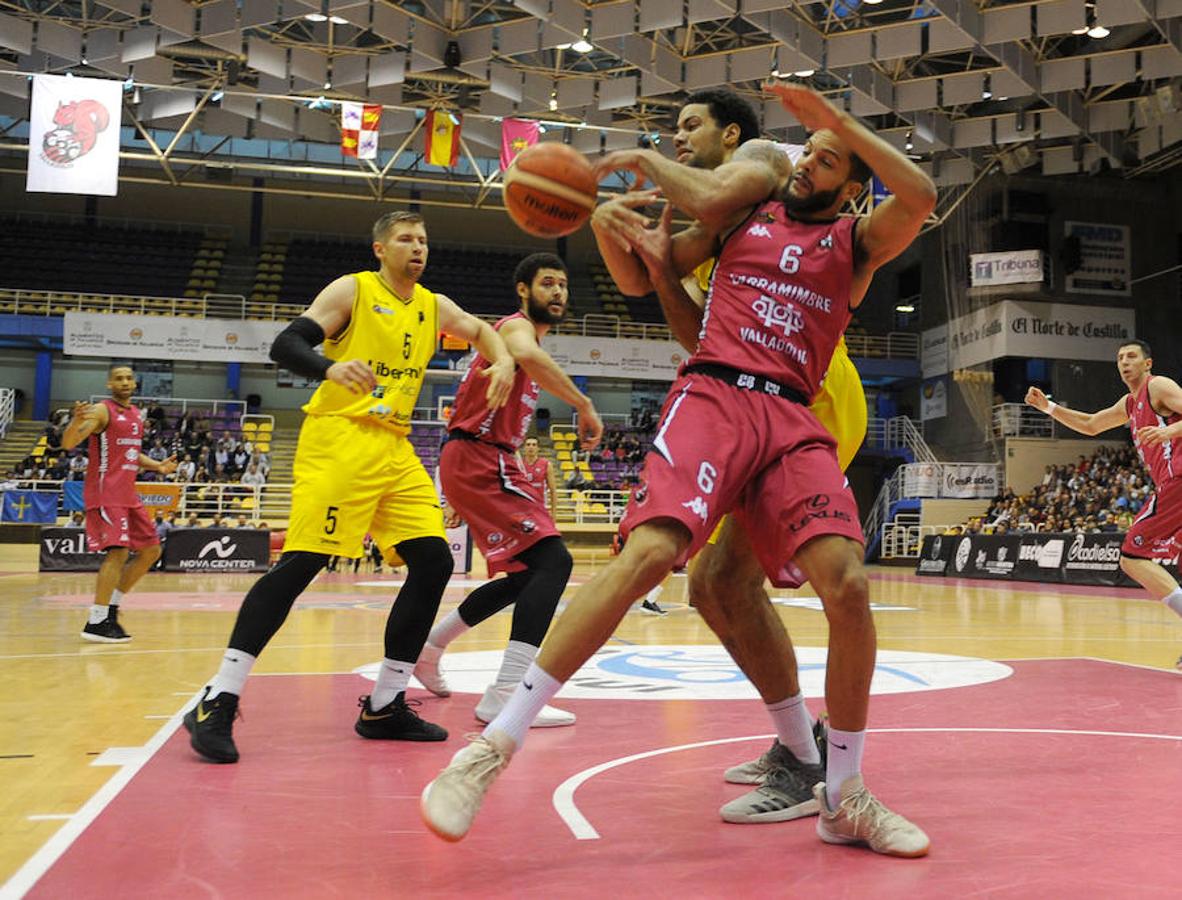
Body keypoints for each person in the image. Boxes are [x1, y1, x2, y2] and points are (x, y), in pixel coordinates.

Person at [422, 81, 937, 857]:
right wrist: (636, 246)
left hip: (801, 410)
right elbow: (657, 293)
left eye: (827, 161)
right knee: (658, 557)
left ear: (853, 182)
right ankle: (488, 750)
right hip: (718, 393)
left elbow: (922, 191)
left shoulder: (849, 237)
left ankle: (845, 794)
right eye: (809, 153)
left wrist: (837, 124)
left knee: (850, 584)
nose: (806, 165)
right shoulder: (743, 215)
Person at [590, 88, 870, 824]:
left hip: (802, 397)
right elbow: (648, 290)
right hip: (749, 388)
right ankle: (798, 744)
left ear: (732, 132)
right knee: (710, 587)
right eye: (670, 128)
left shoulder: (761, 164)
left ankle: (818, 765)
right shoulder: (716, 217)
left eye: (690, 126)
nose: (678, 138)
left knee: (733, 583)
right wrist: (599, 222)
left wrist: (634, 167)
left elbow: (715, 186)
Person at [184, 210, 515, 764]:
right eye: (406, 239)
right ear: (380, 249)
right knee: (303, 563)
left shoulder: (432, 305)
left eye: (424, 241)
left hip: (394, 446)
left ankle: (385, 703)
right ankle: (218, 697)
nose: (418, 248)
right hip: (339, 439)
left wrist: (502, 359)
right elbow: (287, 343)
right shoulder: (354, 291)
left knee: (434, 562)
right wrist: (328, 368)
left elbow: (482, 329)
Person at [414, 253, 603, 728]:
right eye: (547, 284)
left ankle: (430, 647)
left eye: (563, 284)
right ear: (524, 290)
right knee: (555, 561)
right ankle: (505, 693)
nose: (558, 292)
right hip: (480, 455)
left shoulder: (524, 334)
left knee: (525, 577)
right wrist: (582, 402)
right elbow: (526, 354)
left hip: (487, 457)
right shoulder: (515, 328)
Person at [1026, 339, 1182, 669]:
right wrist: (1049, 409)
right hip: (1171, 485)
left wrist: (1170, 434)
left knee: (1132, 556)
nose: (1125, 362)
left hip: (1177, 482)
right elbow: (1092, 424)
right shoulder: (1130, 403)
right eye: (1120, 357)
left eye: (1132, 356)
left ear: (1147, 363)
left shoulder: (1159, 387)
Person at [60, 364, 177, 642]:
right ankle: (96, 621)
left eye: (129, 378)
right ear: (109, 384)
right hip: (106, 493)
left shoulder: (136, 414)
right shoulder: (102, 411)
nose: (125, 382)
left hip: (127, 494)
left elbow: (132, 453)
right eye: (118, 379)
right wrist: (76, 422)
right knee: (119, 553)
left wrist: (158, 467)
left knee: (151, 550)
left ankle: (111, 607)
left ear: (135, 384)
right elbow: (68, 443)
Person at [518, 436, 558, 521]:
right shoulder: (518, 465)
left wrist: (553, 513)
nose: (531, 447)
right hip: (522, 508)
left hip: (540, 508)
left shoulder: (546, 464)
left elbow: (553, 491)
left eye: (534, 445)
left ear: (538, 448)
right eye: (528, 444)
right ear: (524, 447)